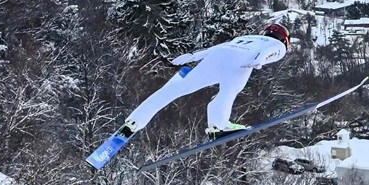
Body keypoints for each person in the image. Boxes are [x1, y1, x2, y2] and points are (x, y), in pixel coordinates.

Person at [114, 23, 291, 139]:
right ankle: (217, 125)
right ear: (284, 39)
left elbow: (217, 48)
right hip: (241, 61)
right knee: (229, 91)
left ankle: (135, 120)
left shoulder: (247, 37)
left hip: (219, 55)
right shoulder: (279, 45)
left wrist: (192, 56)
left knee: (177, 89)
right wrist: (260, 60)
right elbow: (272, 51)